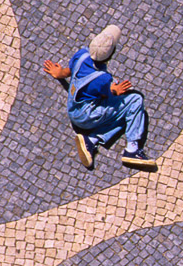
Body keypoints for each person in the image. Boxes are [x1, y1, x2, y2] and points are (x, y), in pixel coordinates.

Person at [43, 24, 157, 171]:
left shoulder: (81, 54)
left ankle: (91, 140)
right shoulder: (103, 78)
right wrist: (115, 90)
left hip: (73, 110)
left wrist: (58, 74)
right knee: (135, 102)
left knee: (125, 114)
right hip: (88, 116)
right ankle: (132, 148)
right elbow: (106, 94)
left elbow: (67, 72)